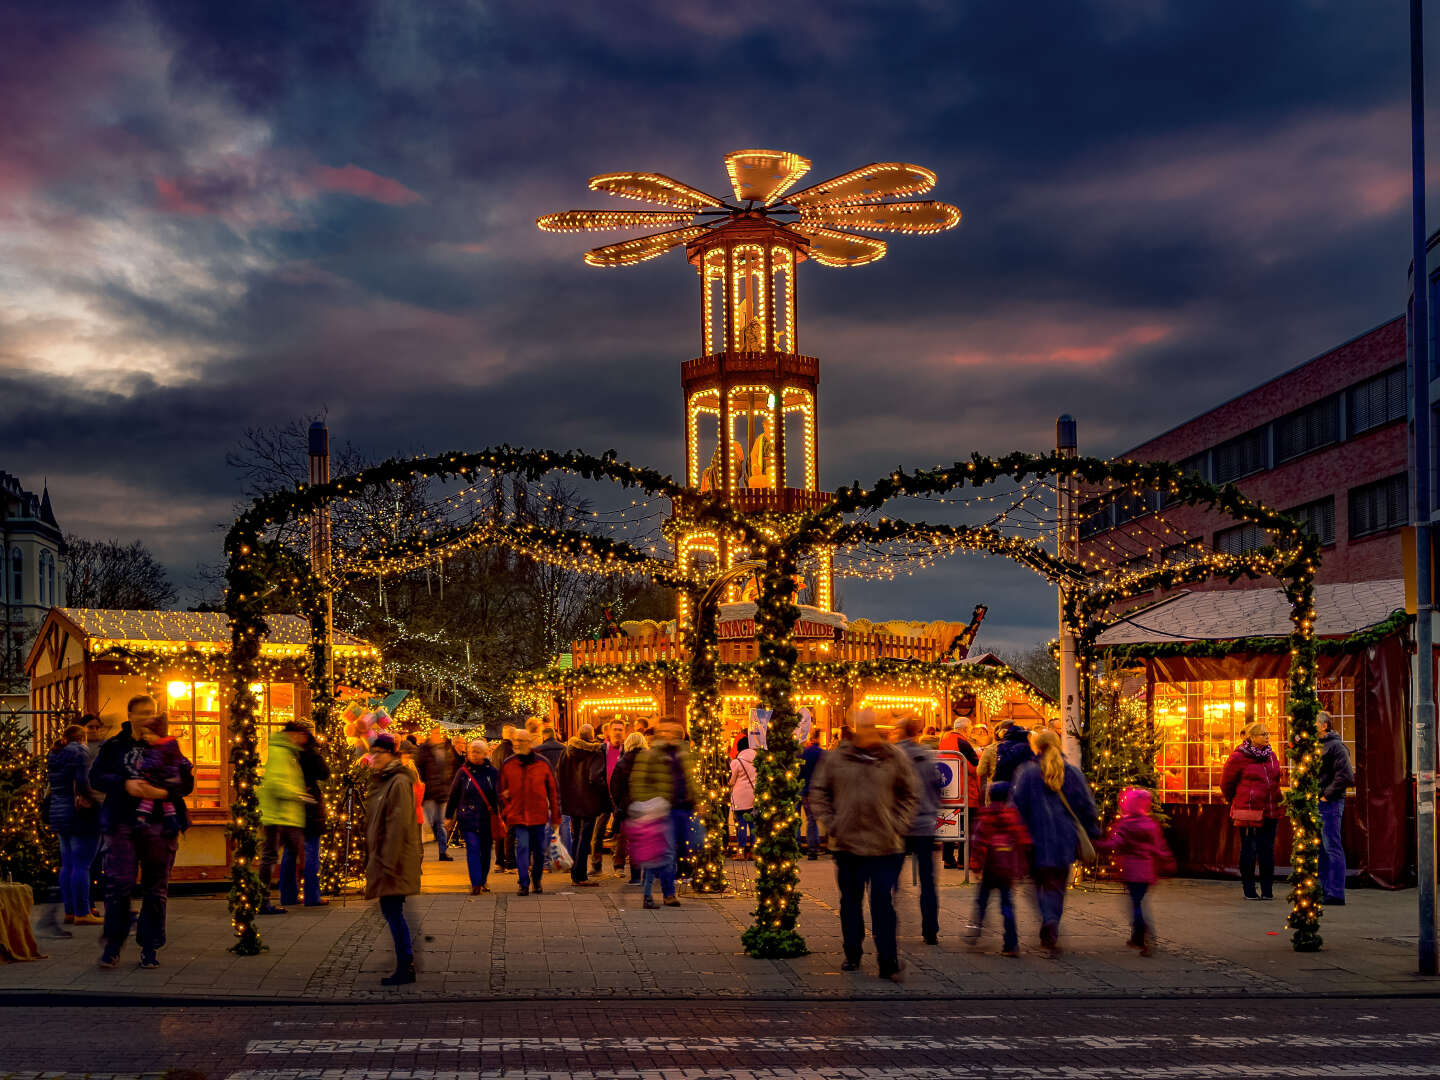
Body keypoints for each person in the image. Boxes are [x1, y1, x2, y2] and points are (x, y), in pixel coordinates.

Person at [809, 710, 919, 981]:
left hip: (886, 845)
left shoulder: (893, 757)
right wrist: (832, 824)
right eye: (863, 726)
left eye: (872, 726)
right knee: (851, 902)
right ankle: (853, 953)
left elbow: (910, 793)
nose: (868, 731)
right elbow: (819, 792)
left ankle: (888, 960)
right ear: (855, 729)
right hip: (848, 845)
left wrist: (898, 824)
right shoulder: (837, 759)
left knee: (882, 902)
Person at [90, 696, 194, 970]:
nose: (147, 717)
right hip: (122, 821)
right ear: (130, 715)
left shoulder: (168, 743)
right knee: (119, 885)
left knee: (156, 888)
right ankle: (113, 945)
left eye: (151, 712)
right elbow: (96, 777)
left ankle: (150, 947)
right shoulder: (115, 746)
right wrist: (125, 784)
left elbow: (185, 779)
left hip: (160, 823)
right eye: (142, 713)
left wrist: (163, 792)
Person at [1011, 728, 1099, 956]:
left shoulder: (1027, 773)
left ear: (1036, 746)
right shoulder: (1071, 772)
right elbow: (1086, 806)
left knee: (1036, 885)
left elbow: (1016, 807)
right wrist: (1092, 831)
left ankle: (1047, 917)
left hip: (1034, 841)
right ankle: (1052, 921)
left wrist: (1016, 836)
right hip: (1063, 840)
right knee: (1057, 887)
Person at [364, 733, 421, 986]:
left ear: (391, 756)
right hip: (387, 858)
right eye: (372, 752)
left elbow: (397, 826)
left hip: (393, 861)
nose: (373, 757)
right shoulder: (385, 780)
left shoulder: (397, 782)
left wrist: (387, 862)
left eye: (379, 753)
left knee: (393, 912)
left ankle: (405, 965)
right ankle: (404, 964)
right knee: (392, 911)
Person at [629, 717, 698, 908]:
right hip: (663, 810)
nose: (669, 735)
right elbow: (638, 783)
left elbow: (689, 779)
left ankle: (659, 877)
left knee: (688, 847)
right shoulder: (650, 755)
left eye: (674, 732)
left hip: (684, 808)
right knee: (667, 853)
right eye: (665, 731)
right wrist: (653, 803)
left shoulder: (683, 754)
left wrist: (696, 798)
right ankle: (668, 893)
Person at [1097, 786, 1173, 955]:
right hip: (1147, 871)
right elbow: (1159, 846)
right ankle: (1137, 936)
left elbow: (1114, 844)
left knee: (1136, 904)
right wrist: (1167, 861)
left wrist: (1098, 845)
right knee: (1139, 901)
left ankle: (1144, 935)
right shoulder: (1150, 824)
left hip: (1132, 871)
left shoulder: (1126, 825)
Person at [1220, 721, 1284, 901]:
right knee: (1249, 849)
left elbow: (1277, 778)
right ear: (1252, 737)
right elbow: (1226, 783)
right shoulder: (1238, 757)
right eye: (1263, 734)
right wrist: (1237, 800)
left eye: (1267, 733)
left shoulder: (1271, 755)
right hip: (1249, 811)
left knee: (1267, 850)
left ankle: (1267, 889)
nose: (1267, 737)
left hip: (1271, 810)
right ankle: (1249, 888)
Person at [47, 723, 102, 927]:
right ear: (81, 738)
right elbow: (83, 782)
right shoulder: (80, 752)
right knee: (82, 865)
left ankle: (70, 911)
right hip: (79, 815)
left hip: (59, 813)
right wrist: (97, 800)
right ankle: (82, 912)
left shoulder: (55, 754)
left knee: (67, 864)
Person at [966, 781, 1029, 956]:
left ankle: (974, 930)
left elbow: (978, 843)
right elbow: (1021, 842)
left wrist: (976, 866)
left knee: (981, 902)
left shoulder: (986, 816)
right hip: (1006, 872)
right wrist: (1020, 869)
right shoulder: (1012, 816)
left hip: (989, 869)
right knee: (1007, 906)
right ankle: (1011, 943)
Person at [897, 715, 944, 945]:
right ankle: (930, 929)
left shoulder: (894, 755)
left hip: (899, 825)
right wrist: (931, 809)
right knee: (928, 880)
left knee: (890, 877)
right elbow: (938, 787)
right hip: (925, 825)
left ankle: (890, 923)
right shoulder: (926, 755)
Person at [498, 729, 561, 896]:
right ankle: (523, 883)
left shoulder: (542, 763)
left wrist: (556, 815)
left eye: (520, 740)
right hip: (518, 815)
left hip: (538, 815)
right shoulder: (509, 764)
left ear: (529, 742)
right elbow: (501, 789)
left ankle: (537, 880)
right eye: (515, 740)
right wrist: (506, 808)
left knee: (539, 850)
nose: (517, 743)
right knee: (523, 847)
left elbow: (553, 791)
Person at [257, 720, 311, 915]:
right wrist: (298, 794)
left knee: (291, 854)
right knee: (271, 857)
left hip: (287, 816)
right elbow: (276, 783)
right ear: (294, 734)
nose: (304, 741)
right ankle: (262, 899)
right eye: (302, 736)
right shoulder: (281, 753)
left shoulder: (288, 752)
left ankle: (284, 894)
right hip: (278, 815)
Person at [281, 724, 329, 908]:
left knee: (290, 851)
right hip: (308, 806)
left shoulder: (285, 753)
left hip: (291, 806)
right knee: (310, 852)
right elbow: (324, 773)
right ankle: (311, 895)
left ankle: (288, 895)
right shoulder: (309, 753)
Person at [445, 738, 500, 894]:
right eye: (472, 752)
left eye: (478, 752)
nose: (474, 754)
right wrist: (449, 816)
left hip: (486, 819)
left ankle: (483, 880)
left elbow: (499, 795)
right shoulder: (463, 772)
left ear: (485, 754)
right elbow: (453, 795)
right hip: (467, 817)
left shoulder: (493, 772)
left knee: (486, 851)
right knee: (473, 848)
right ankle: (475, 883)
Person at [557, 723, 609, 886]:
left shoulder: (566, 751)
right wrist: (604, 789)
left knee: (577, 835)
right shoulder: (595, 752)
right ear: (592, 736)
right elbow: (595, 778)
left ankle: (575, 873)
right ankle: (580, 876)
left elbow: (559, 773)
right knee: (584, 838)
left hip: (572, 799)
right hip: (589, 800)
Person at [1316, 711, 1354, 906]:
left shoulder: (1336, 747)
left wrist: (1326, 795)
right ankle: (1324, 889)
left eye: (1314, 723)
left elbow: (1346, 776)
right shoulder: (1317, 746)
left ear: (1324, 726)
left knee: (1332, 846)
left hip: (1330, 802)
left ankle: (1335, 891)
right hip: (1321, 801)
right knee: (1322, 847)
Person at [939, 718, 980, 868]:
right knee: (966, 827)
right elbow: (974, 767)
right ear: (964, 729)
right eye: (970, 730)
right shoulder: (962, 742)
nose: (970, 733)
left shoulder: (944, 740)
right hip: (965, 792)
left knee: (949, 824)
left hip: (949, 791)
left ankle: (948, 859)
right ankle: (963, 860)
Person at [609, 731, 647, 885]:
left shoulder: (622, 762)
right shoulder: (650, 762)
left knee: (631, 841)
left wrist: (620, 804)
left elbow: (615, 787)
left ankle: (636, 876)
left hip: (628, 807)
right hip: (647, 806)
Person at [416, 728, 459, 862]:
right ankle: (434, 847)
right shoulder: (424, 750)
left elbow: (452, 769)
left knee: (440, 823)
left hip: (443, 791)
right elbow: (419, 769)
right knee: (430, 822)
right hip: (429, 792)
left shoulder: (447, 749)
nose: (438, 736)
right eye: (435, 733)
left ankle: (443, 851)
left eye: (440, 733)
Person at [589, 720, 626, 875]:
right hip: (604, 796)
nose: (618, 732)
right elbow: (595, 773)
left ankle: (619, 867)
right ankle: (596, 866)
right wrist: (603, 787)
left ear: (625, 732)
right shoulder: (601, 749)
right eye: (615, 729)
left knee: (621, 833)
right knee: (598, 832)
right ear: (608, 732)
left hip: (621, 798)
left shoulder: (627, 751)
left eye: (621, 729)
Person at [491, 725, 517, 871]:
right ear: (512, 736)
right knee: (510, 829)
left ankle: (499, 861)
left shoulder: (496, 751)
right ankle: (510, 862)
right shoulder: (511, 751)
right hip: (508, 794)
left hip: (497, 793)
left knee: (500, 828)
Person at [729, 736, 757, 857]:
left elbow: (731, 781)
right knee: (753, 825)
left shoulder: (736, 762)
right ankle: (754, 851)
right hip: (753, 796)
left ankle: (740, 852)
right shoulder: (757, 760)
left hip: (739, 797)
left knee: (741, 824)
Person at [799, 729, 825, 860]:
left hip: (806, 790)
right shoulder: (823, 754)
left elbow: (799, 772)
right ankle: (816, 846)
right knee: (823, 818)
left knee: (811, 819)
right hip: (819, 790)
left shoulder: (804, 753)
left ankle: (812, 847)